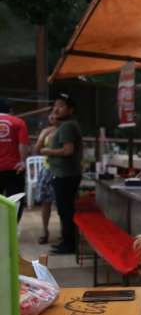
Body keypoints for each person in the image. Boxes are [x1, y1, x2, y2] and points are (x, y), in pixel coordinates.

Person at [41, 93, 83, 254]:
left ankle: (68, 244)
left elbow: (68, 150)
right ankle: (66, 241)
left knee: (65, 210)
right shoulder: (66, 125)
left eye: (61, 105)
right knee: (64, 209)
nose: (56, 108)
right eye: (55, 105)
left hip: (66, 175)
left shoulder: (67, 126)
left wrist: (47, 150)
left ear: (70, 110)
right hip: (65, 174)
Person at [0, 98, 29, 219]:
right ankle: (12, 228)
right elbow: (22, 145)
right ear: (11, 110)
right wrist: (22, 162)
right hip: (14, 168)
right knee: (15, 200)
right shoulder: (18, 122)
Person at [33, 113, 59, 244]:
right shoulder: (46, 131)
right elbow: (37, 149)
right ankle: (45, 230)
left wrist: (47, 150)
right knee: (45, 202)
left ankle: (66, 232)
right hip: (47, 169)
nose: (52, 116)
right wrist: (43, 136)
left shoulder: (65, 129)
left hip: (61, 170)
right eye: (51, 113)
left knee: (62, 204)